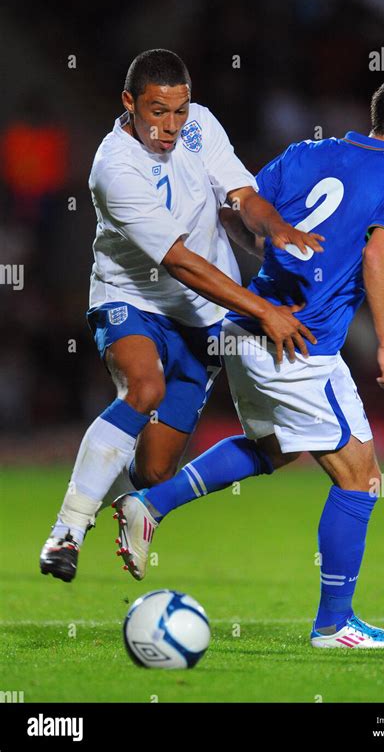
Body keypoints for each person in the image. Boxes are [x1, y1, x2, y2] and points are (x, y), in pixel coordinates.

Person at [112, 75, 384, 649]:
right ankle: (335, 626)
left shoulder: (307, 153)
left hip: (247, 327)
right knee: (362, 479)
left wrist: (275, 259)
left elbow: (235, 212)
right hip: (301, 346)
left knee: (277, 449)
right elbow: (378, 250)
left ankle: (150, 503)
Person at [39, 49, 323, 583]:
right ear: (129, 104)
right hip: (132, 299)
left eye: (179, 111)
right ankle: (68, 529)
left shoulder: (200, 125)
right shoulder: (113, 169)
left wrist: (275, 229)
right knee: (142, 390)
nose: (170, 127)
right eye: (156, 112)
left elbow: (242, 196)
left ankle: (112, 498)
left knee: (153, 471)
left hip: (204, 316)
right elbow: (180, 262)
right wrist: (266, 310)